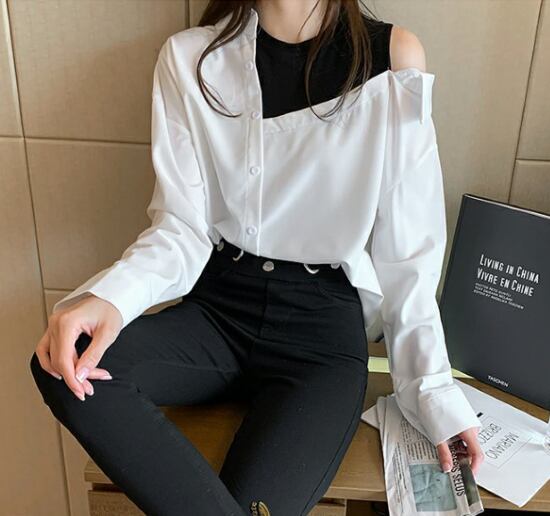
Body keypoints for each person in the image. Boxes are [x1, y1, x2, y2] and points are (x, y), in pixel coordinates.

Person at [30, 1, 484, 515]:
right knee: (63, 363)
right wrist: (111, 298)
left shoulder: (392, 58)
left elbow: (409, 256)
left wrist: (432, 390)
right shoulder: (190, 58)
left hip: (320, 335)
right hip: (219, 310)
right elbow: (182, 227)